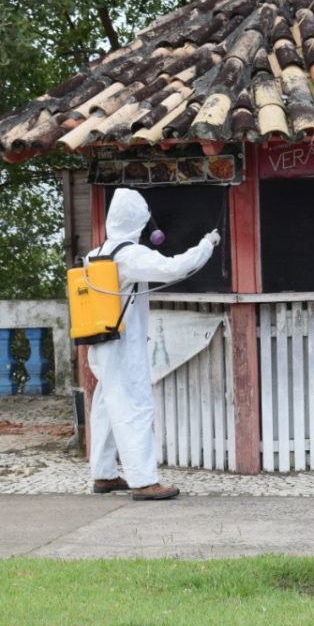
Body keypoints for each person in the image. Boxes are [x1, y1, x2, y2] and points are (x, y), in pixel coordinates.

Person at [86, 189, 218, 500]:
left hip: (100, 341)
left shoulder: (96, 253)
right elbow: (174, 268)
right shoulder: (130, 255)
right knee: (134, 407)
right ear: (137, 220)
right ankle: (144, 482)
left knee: (106, 406)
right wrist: (206, 245)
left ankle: (104, 474)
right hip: (123, 344)